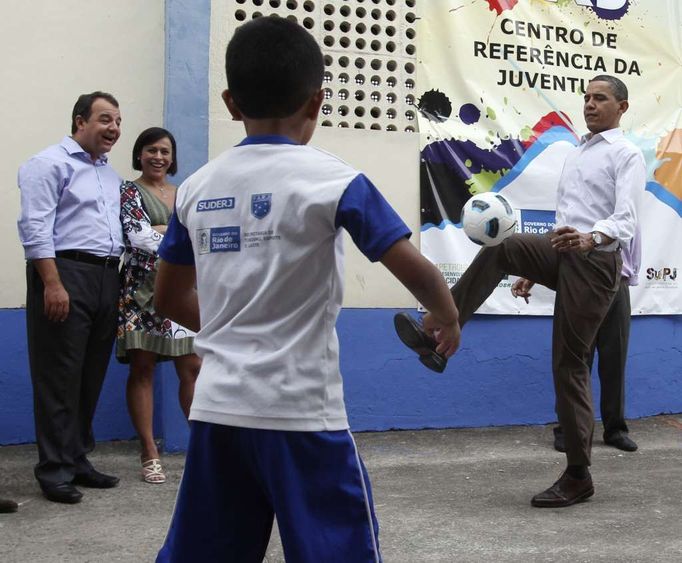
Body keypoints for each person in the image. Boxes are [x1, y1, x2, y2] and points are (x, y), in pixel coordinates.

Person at [153, 16, 460, 562]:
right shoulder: (336, 180)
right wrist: (445, 313)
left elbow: (170, 299)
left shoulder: (193, 190)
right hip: (300, 414)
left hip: (218, 409)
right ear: (318, 103)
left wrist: (232, 328)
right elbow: (415, 268)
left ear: (229, 101)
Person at [395, 75, 645, 508]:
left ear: (622, 107)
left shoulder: (625, 155)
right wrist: (533, 266)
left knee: (569, 363)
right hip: (565, 253)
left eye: (600, 99)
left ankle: (578, 474)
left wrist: (590, 238)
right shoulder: (577, 153)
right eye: (586, 97)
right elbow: (569, 218)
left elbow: (625, 220)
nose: (589, 104)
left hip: (596, 262)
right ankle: (442, 325)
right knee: (505, 248)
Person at [17, 92, 124, 504]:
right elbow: (36, 227)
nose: (114, 128)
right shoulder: (48, 164)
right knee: (58, 375)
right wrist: (52, 283)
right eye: (104, 119)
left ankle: (78, 459)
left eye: (117, 120)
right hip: (65, 273)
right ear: (80, 121)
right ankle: (54, 469)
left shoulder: (108, 174)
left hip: (104, 276)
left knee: (89, 373)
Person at [117, 127, 201, 484]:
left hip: (181, 288)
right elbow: (137, 236)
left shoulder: (183, 194)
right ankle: (149, 453)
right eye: (151, 150)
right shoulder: (128, 191)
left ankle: (203, 448)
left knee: (192, 368)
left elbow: (198, 235)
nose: (158, 157)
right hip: (139, 293)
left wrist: (164, 230)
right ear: (139, 154)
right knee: (143, 368)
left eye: (165, 151)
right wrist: (173, 236)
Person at [512, 227, 641, 454]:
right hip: (581, 282)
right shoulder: (582, 207)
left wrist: (629, 278)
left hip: (617, 284)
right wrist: (532, 276)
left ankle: (616, 430)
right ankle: (568, 431)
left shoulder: (625, 211)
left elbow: (633, 246)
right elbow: (560, 246)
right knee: (575, 360)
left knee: (615, 359)